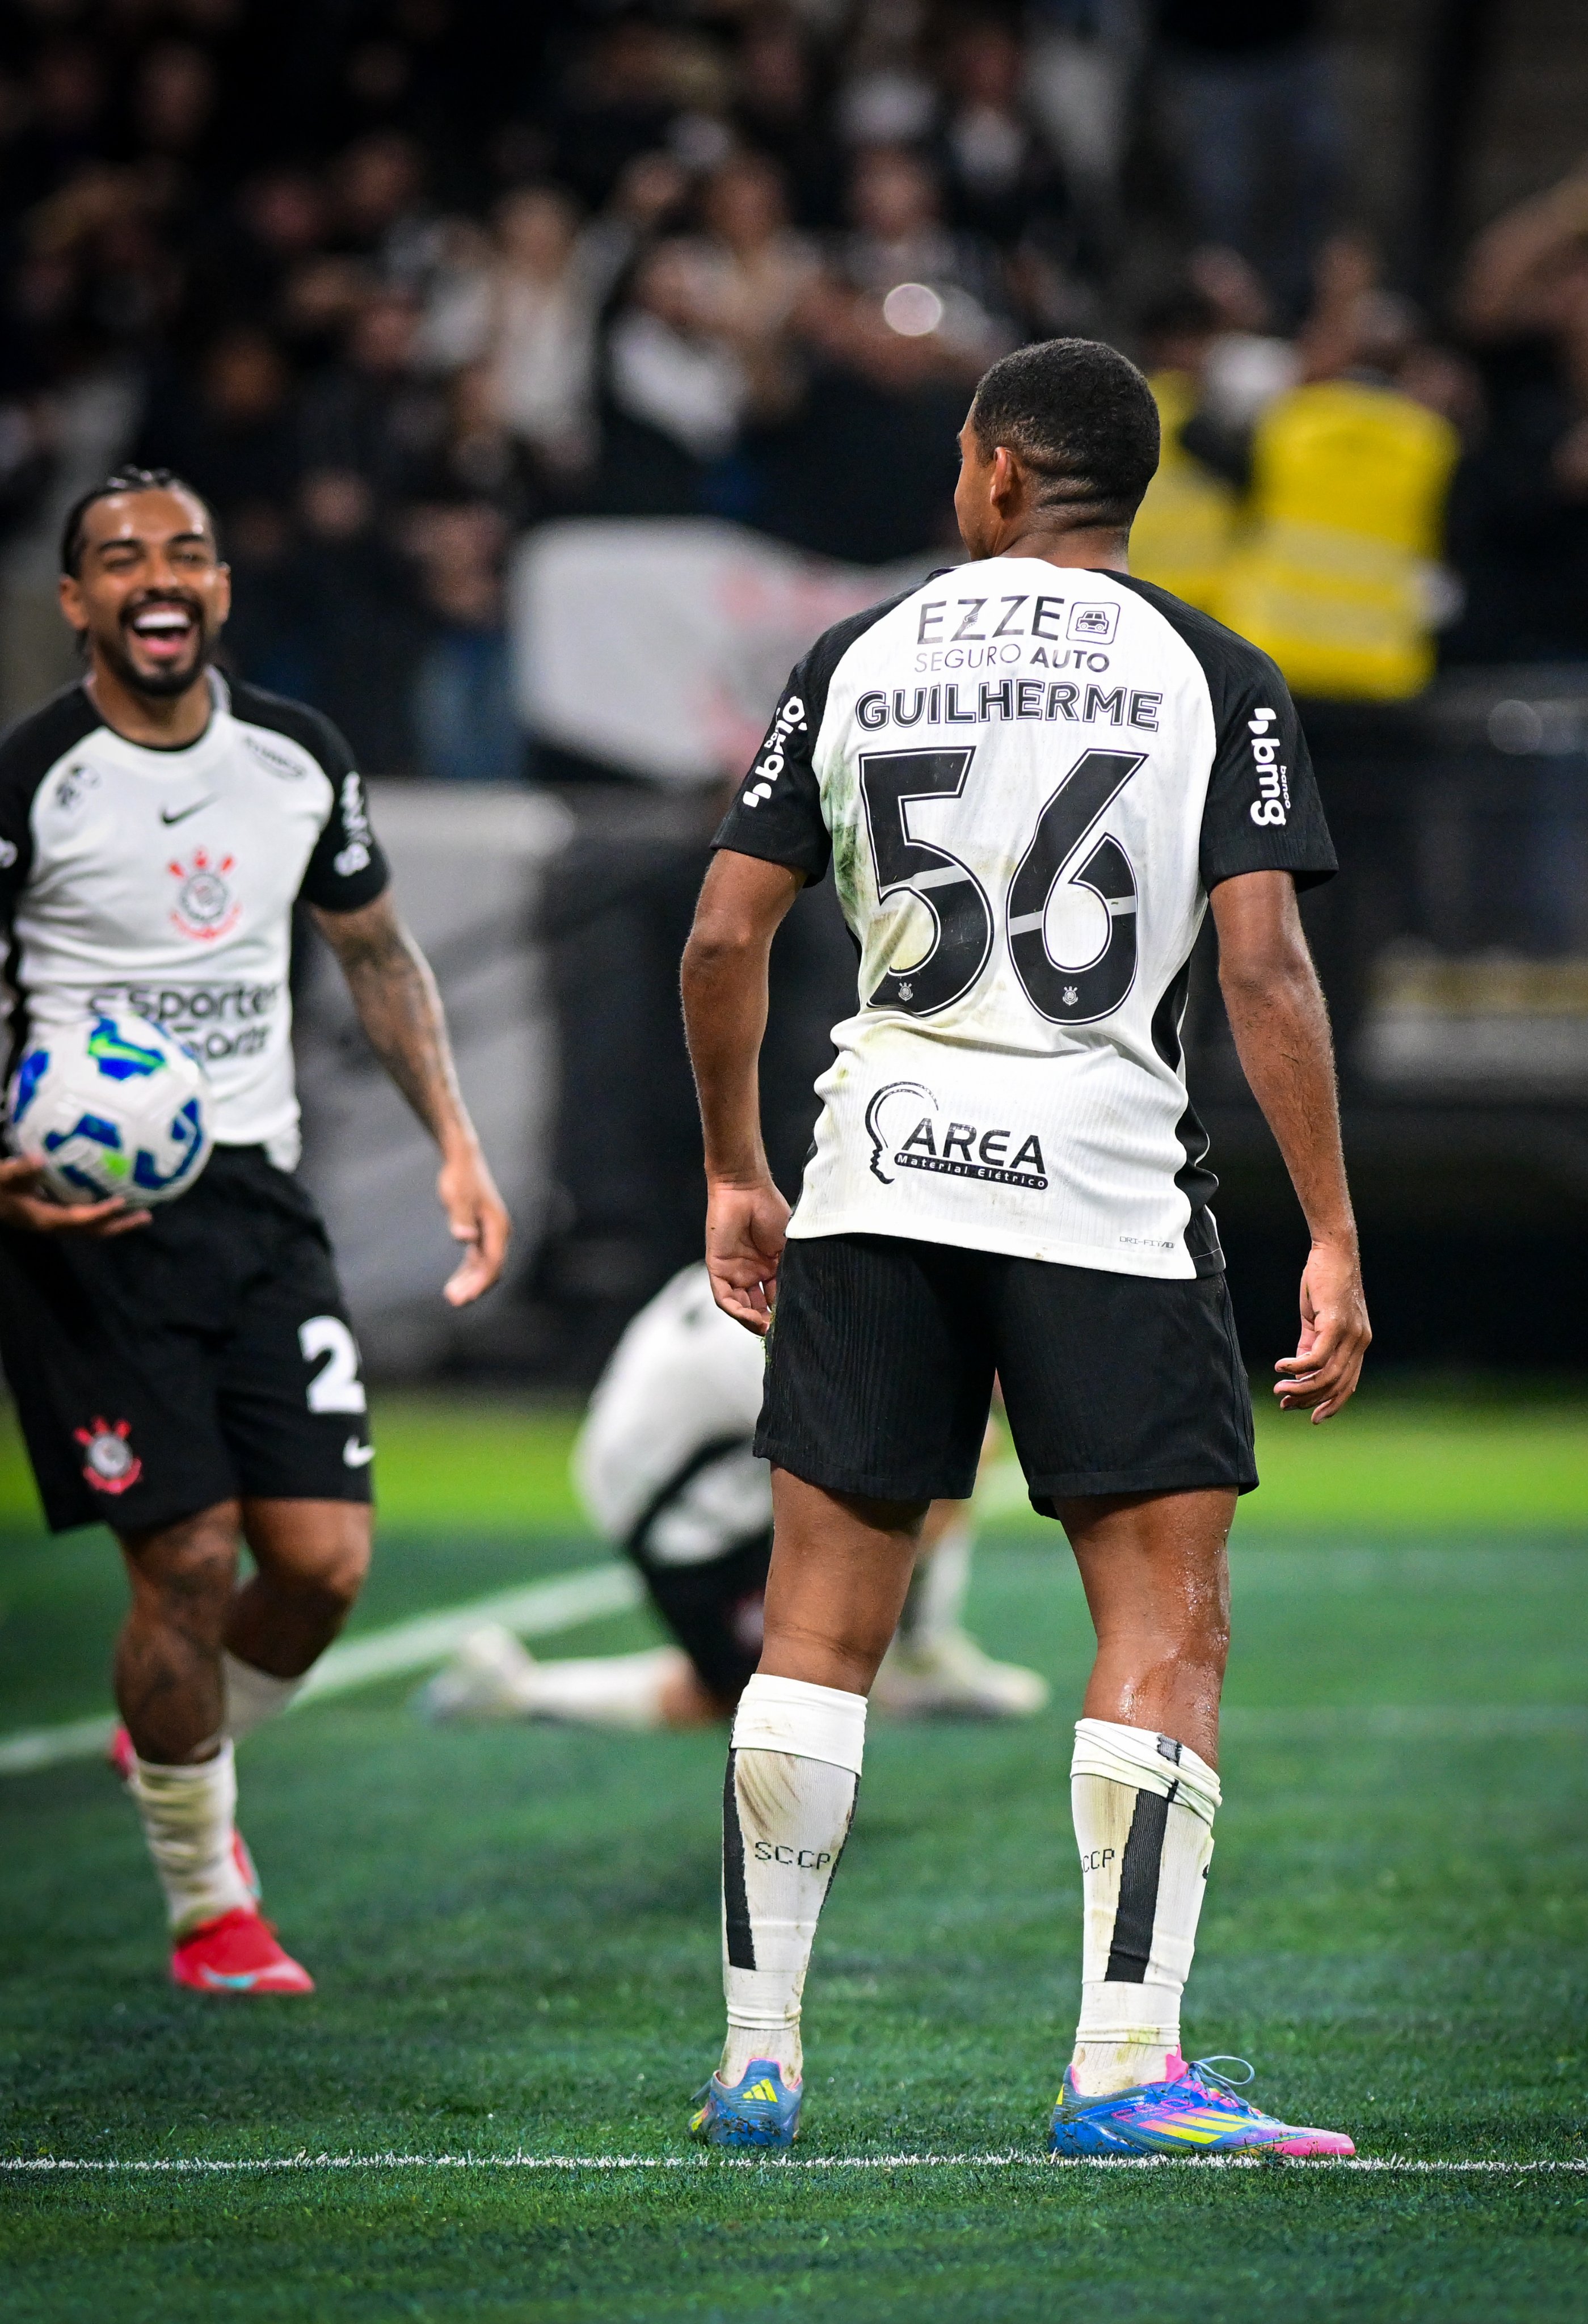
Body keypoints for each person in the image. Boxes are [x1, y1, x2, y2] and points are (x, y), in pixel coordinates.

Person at [679, 337, 1370, 2157]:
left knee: (815, 1629)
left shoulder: (854, 655)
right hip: (1103, 1198)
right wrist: (1330, 1231)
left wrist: (736, 1167)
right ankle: (1123, 2070)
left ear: (994, 473)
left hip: (879, 1178)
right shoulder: (1215, 670)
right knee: (1163, 1624)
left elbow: (723, 940)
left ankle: (756, 2063)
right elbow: (1263, 970)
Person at [0, 466, 508, 1991]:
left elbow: (377, 955)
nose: (158, 578)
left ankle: (172, 1729)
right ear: (78, 599)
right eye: (121, 559)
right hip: (90, 1224)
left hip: (260, 1202)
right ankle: (206, 1904)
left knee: (323, 1567)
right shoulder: (34, 778)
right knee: (186, 1556)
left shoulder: (296, 758)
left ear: (221, 586)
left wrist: (459, 1145)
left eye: (187, 554)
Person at [419, 1260, 1047, 1729]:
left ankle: (917, 1655)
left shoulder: (830, 1277)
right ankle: (516, 1691)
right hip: (678, 1512)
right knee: (752, 1692)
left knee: (934, 1451)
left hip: (669, 1459)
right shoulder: (819, 1332)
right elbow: (880, 1454)